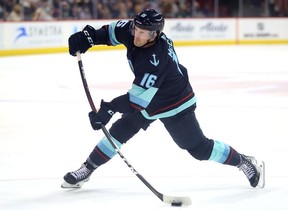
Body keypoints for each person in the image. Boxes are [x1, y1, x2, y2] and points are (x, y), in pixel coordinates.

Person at [62, 9, 265, 189]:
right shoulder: (134, 30)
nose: (136, 36)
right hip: (148, 97)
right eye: (136, 29)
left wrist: (109, 108)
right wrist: (87, 38)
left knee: (199, 149)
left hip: (174, 101)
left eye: (142, 33)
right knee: (119, 131)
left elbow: (136, 101)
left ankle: (243, 162)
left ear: (155, 35)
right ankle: (87, 169)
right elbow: (108, 32)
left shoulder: (155, 58)